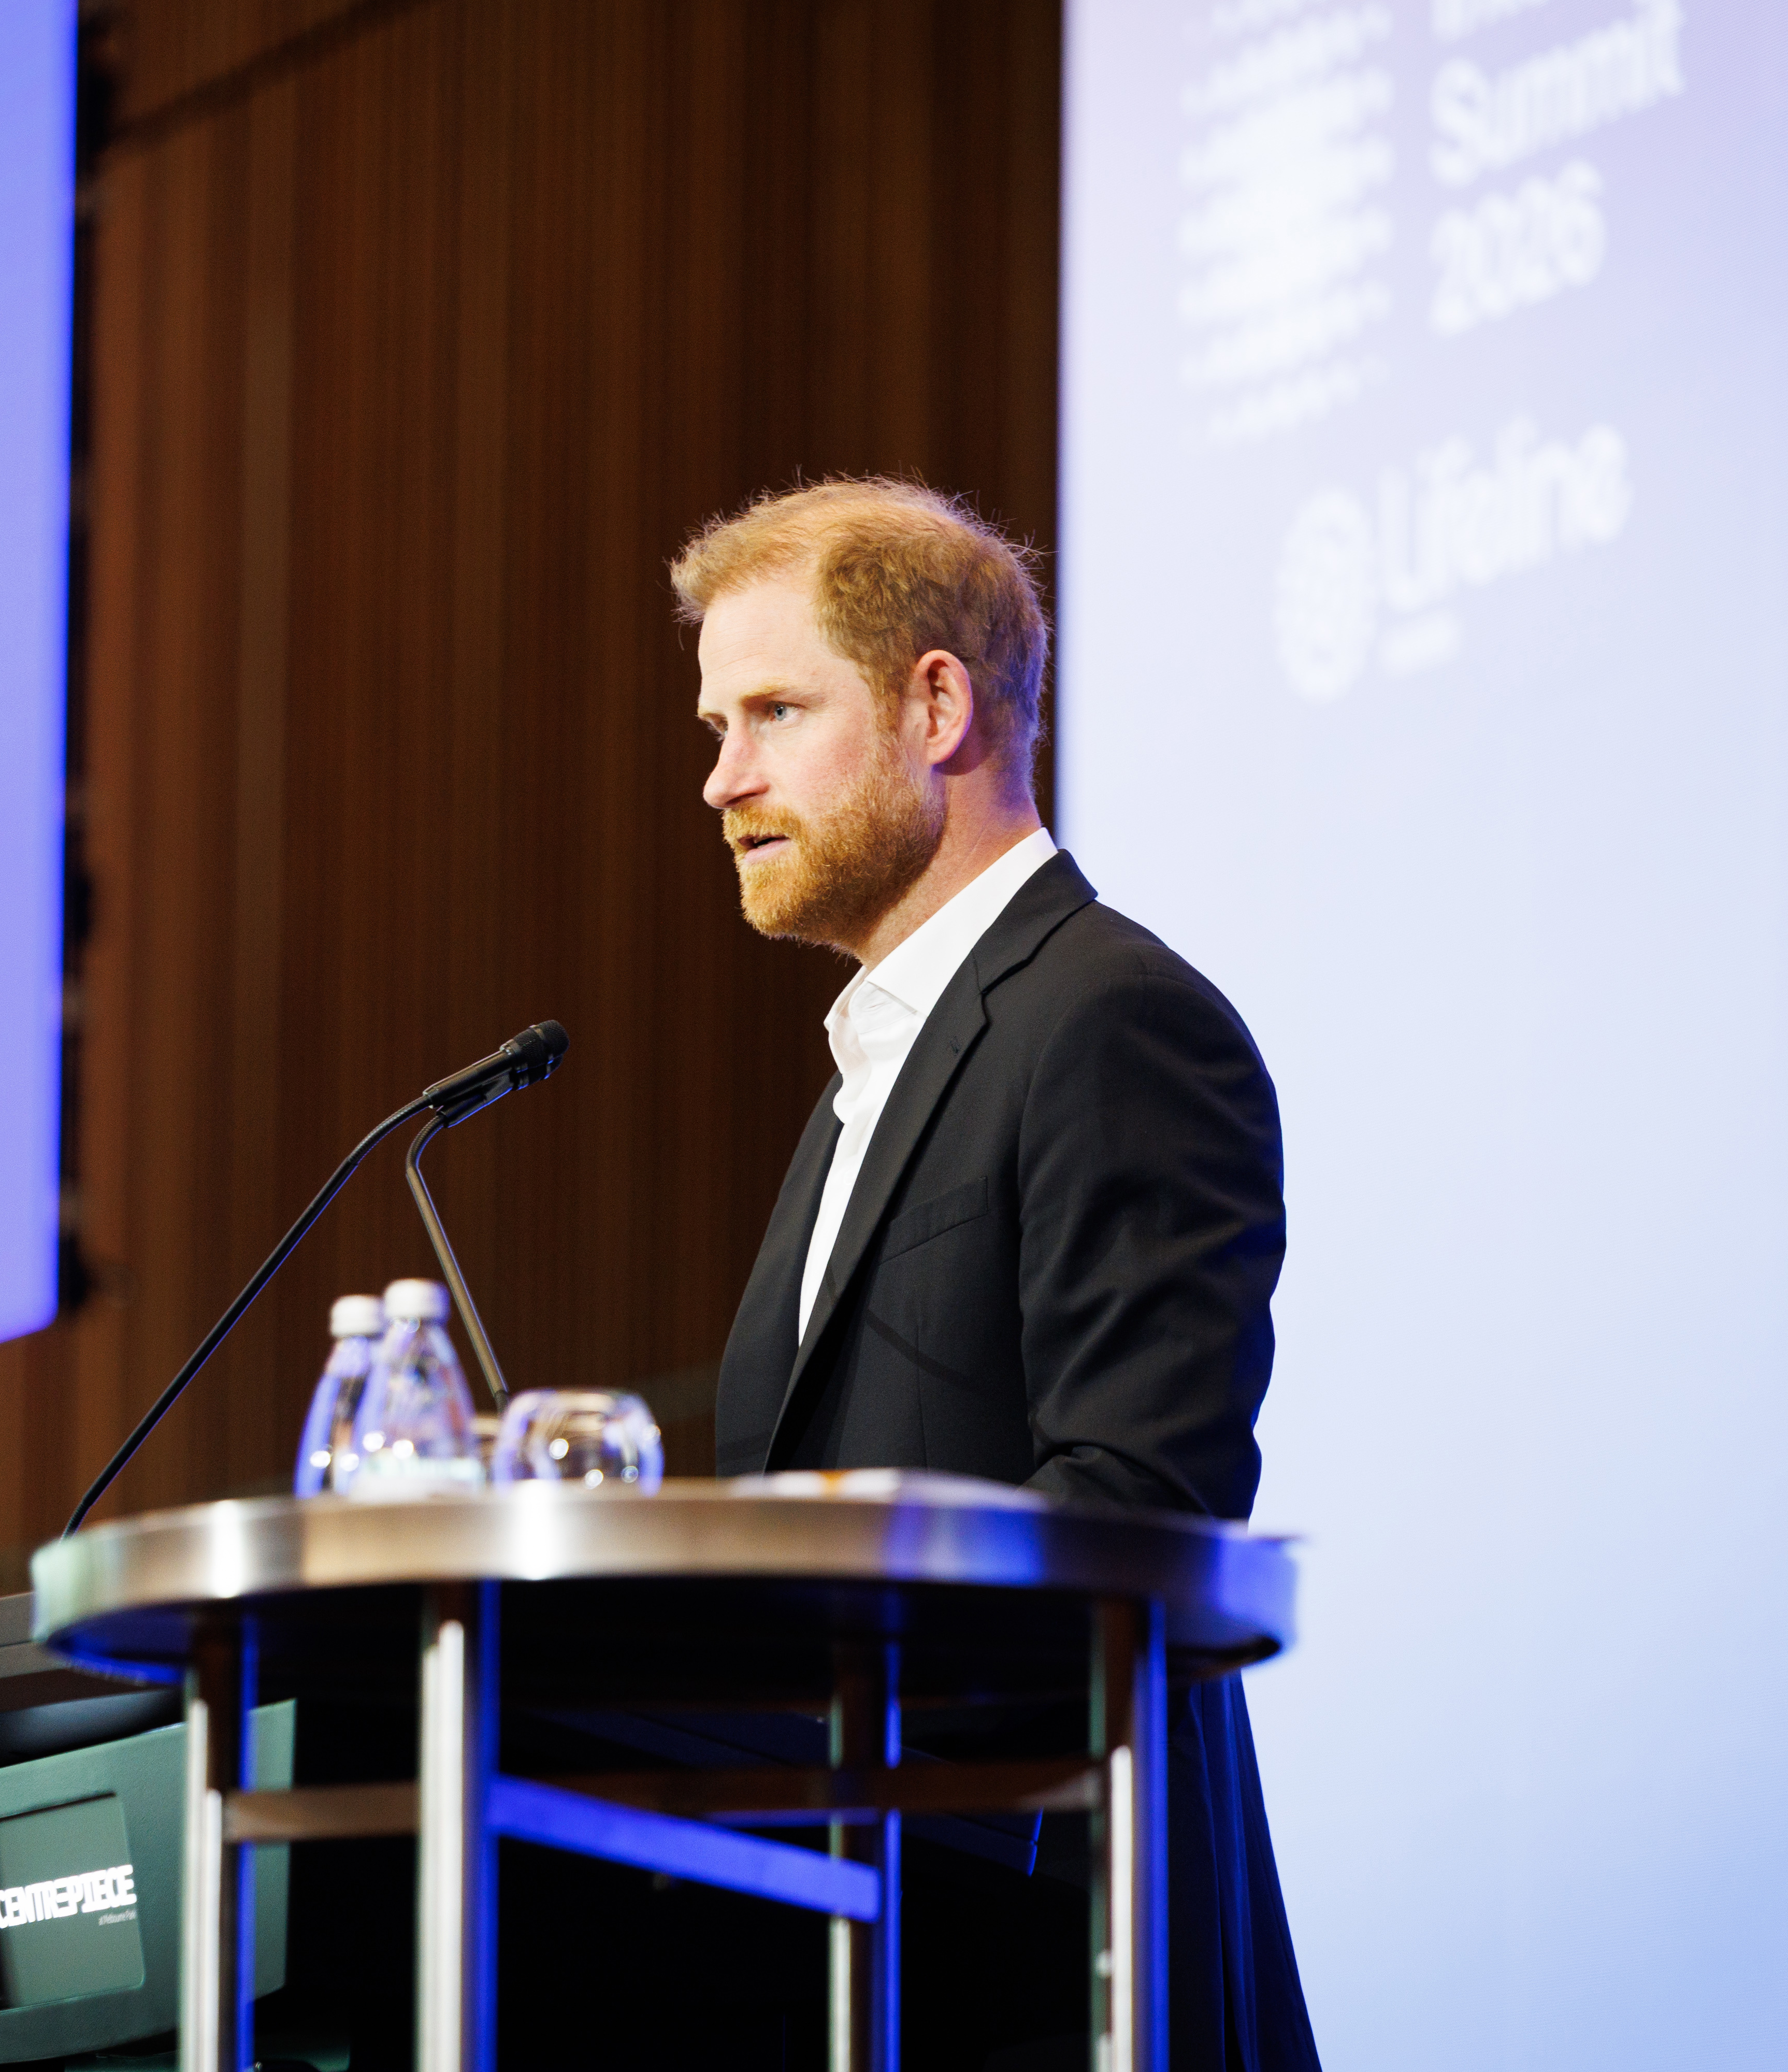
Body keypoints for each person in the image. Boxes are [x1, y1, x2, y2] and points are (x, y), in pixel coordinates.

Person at [679, 478, 1321, 2072]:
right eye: (714, 724)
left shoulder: (1111, 1019)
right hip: (863, 1957)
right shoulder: (861, 1087)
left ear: (937, 704)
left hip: (1057, 1959)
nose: (722, 779)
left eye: (771, 710)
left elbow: (1139, 1512)